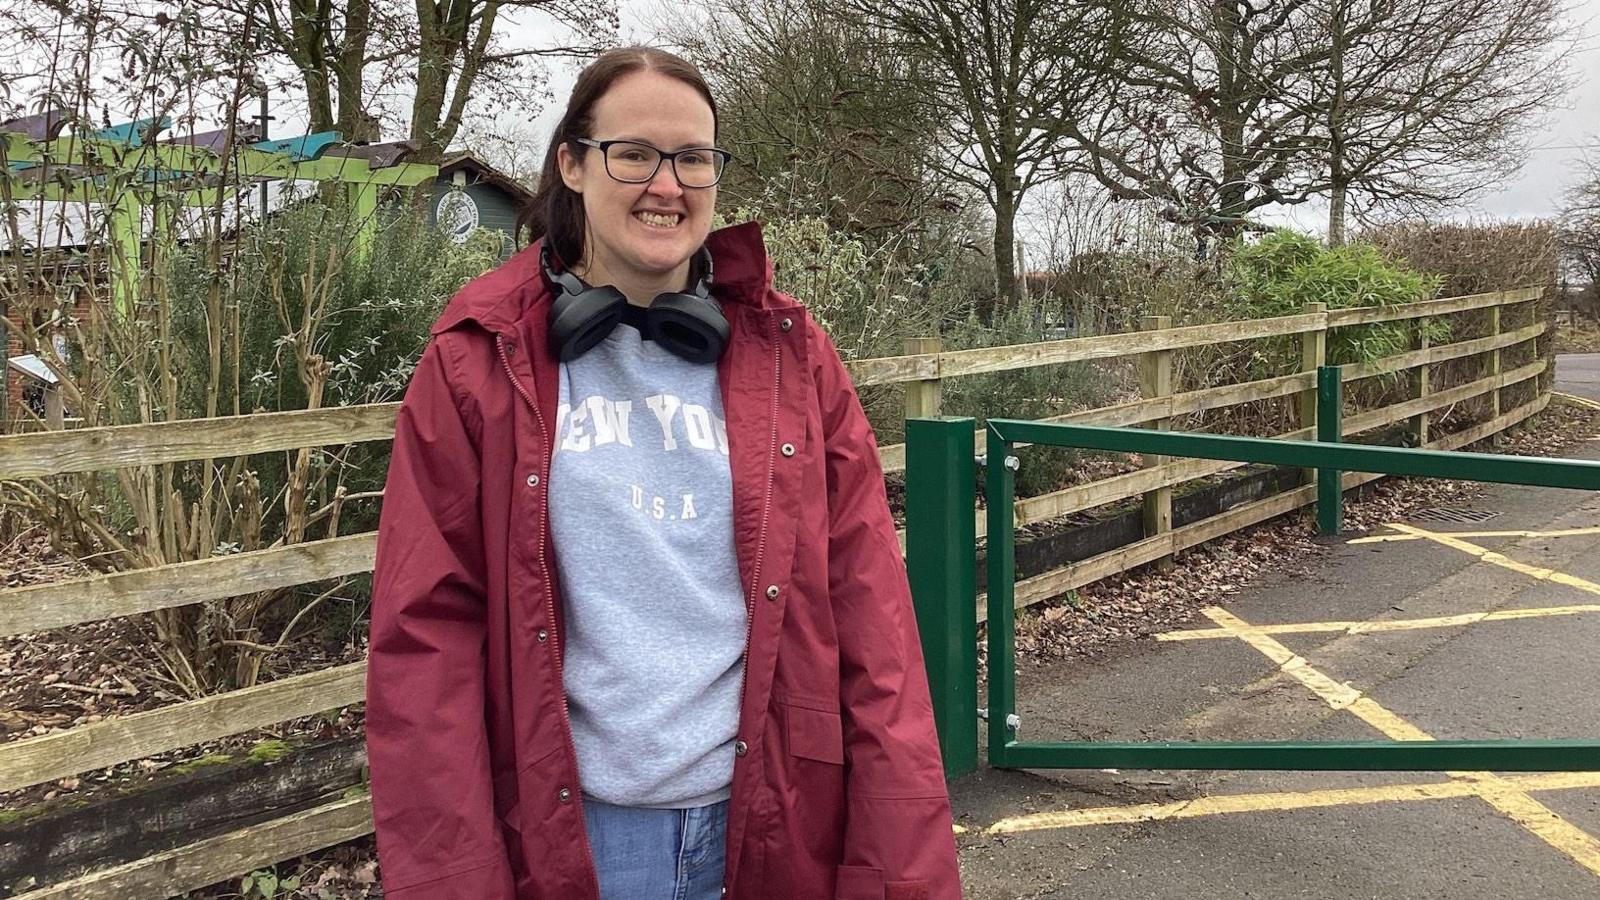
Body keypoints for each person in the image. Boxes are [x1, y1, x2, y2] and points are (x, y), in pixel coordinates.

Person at [365, 45, 961, 900]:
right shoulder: (476, 363)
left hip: (778, 825)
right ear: (572, 162)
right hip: (577, 840)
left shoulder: (796, 358)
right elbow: (425, 646)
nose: (667, 184)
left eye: (693, 158)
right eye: (633, 153)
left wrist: (902, 864)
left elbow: (874, 620)